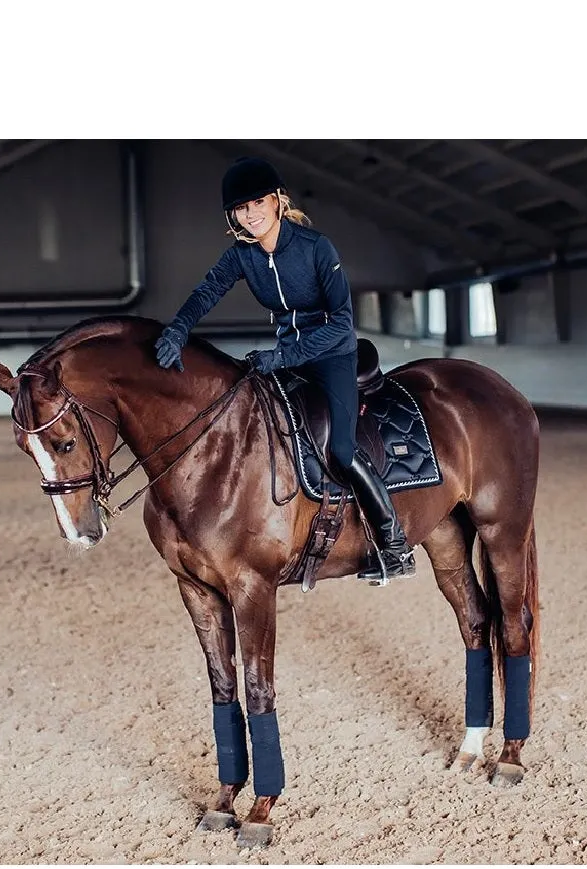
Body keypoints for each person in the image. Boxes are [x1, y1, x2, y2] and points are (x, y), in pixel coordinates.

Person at [154, 156, 415, 583]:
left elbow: (341, 323)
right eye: (241, 208)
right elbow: (206, 292)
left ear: (277, 201)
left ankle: (393, 544)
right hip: (287, 353)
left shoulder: (316, 248)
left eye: (258, 202)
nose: (250, 214)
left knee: (343, 452)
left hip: (332, 354)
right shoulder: (242, 255)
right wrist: (177, 330)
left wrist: (282, 358)